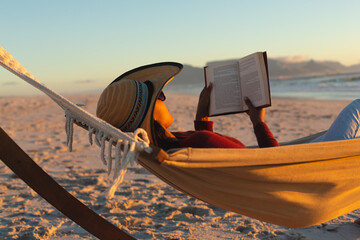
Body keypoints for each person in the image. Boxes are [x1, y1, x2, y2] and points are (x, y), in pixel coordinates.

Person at [96, 62, 278, 150]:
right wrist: (258, 123)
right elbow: (273, 165)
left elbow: (209, 151)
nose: (164, 98)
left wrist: (201, 118)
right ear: (150, 113)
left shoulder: (169, 144)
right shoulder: (199, 142)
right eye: (160, 96)